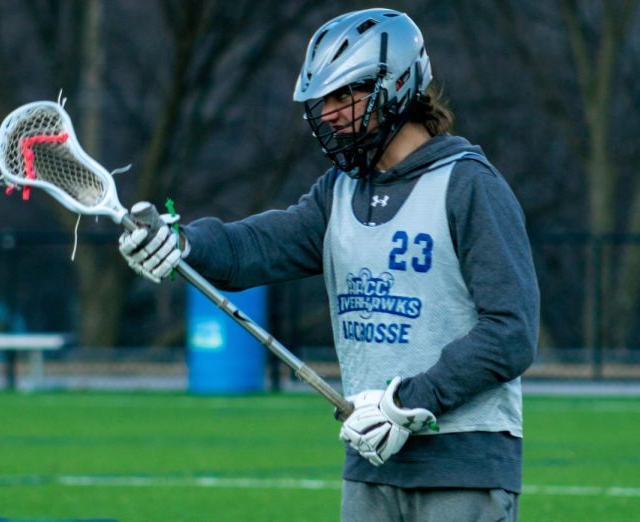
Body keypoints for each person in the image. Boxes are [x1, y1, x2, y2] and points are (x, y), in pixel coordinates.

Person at [118, 7, 538, 521]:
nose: (332, 112)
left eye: (347, 94)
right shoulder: (339, 193)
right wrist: (182, 243)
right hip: (371, 468)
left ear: (397, 85)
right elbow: (256, 246)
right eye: (324, 99)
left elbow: (511, 332)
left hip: (463, 470)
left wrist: (406, 402)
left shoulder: (470, 185)